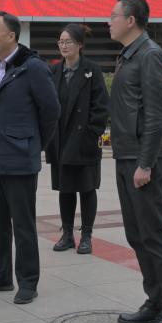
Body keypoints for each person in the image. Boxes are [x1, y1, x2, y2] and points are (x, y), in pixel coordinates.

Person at [109, 0, 162, 323]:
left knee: (153, 236)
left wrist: (145, 163)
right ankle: (155, 302)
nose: (108, 21)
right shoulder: (129, 55)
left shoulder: (151, 55)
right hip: (126, 156)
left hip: (144, 162)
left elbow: (157, 115)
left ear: (131, 20)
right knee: (137, 235)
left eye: (113, 16)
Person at [0, 11, 60, 305]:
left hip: (20, 159)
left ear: (11, 36)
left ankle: (28, 280)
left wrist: (33, 144)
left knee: (23, 224)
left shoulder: (32, 68)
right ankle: (1, 275)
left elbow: (51, 111)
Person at [45, 24, 109, 255]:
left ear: (80, 45)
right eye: (61, 42)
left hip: (84, 141)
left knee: (87, 188)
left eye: (68, 42)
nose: (63, 46)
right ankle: (67, 234)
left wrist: (91, 133)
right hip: (60, 140)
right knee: (65, 189)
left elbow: (101, 107)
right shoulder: (53, 71)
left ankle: (86, 236)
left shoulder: (92, 70)